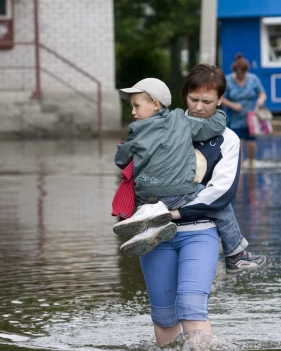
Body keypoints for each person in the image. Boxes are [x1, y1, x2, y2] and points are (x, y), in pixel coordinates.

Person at [138, 64, 266, 346]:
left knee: (192, 306)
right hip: (155, 235)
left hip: (199, 232)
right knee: (163, 315)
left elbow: (221, 193)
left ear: (220, 100)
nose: (198, 107)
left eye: (207, 102)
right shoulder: (159, 128)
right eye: (193, 99)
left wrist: (174, 212)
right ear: (184, 96)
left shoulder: (229, 140)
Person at [114, 77, 266, 275]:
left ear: (154, 104)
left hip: (143, 196)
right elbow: (211, 127)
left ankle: (148, 223)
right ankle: (235, 255)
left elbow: (121, 160)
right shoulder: (179, 121)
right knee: (220, 204)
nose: (133, 111)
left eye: (135, 106)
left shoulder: (136, 130)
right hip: (175, 194)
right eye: (195, 100)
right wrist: (221, 115)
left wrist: (125, 148)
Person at [221, 53, 267, 169]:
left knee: (251, 141)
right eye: (238, 73)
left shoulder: (253, 79)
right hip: (234, 117)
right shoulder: (228, 80)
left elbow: (262, 94)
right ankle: (239, 167)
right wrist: (232, 105)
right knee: (237, 142)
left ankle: (251, 163)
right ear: (235, 70)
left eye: (243, 73)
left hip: (250, 117)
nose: (241, 75)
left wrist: (260, 101)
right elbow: (220, 98)